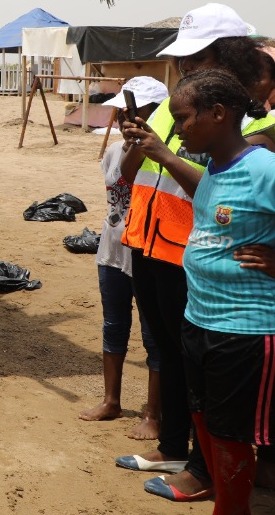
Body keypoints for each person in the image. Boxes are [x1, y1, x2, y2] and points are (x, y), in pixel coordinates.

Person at [117, 3, 270, 502]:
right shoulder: (180, 103)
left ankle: (210, 473)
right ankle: (179, 448)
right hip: (155, 242)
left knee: (220, 392)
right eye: (183, 62)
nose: (186, 69)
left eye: (196, 58)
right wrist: (140, 144)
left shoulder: (248, 126)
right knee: (173, 354)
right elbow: (139, 171)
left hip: (219, 275)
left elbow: (234, 182)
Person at [171, 69, 275, 514]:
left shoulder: (264, 169)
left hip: (245, 331)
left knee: (232, 436)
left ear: (218, 114)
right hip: (199, 320)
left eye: (183, 118)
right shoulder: (214, 165)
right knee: (206, 422)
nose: (177, 128)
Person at [78, 77, 163, 440]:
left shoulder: (164, 156)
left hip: (149, 253)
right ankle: (111, 400)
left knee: (153, 335)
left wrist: (145, 141)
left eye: (136, 110)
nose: (127, 117)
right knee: (114, 325)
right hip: (112, 251)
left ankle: (153, 413)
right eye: (124, 110)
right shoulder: (114, 150)